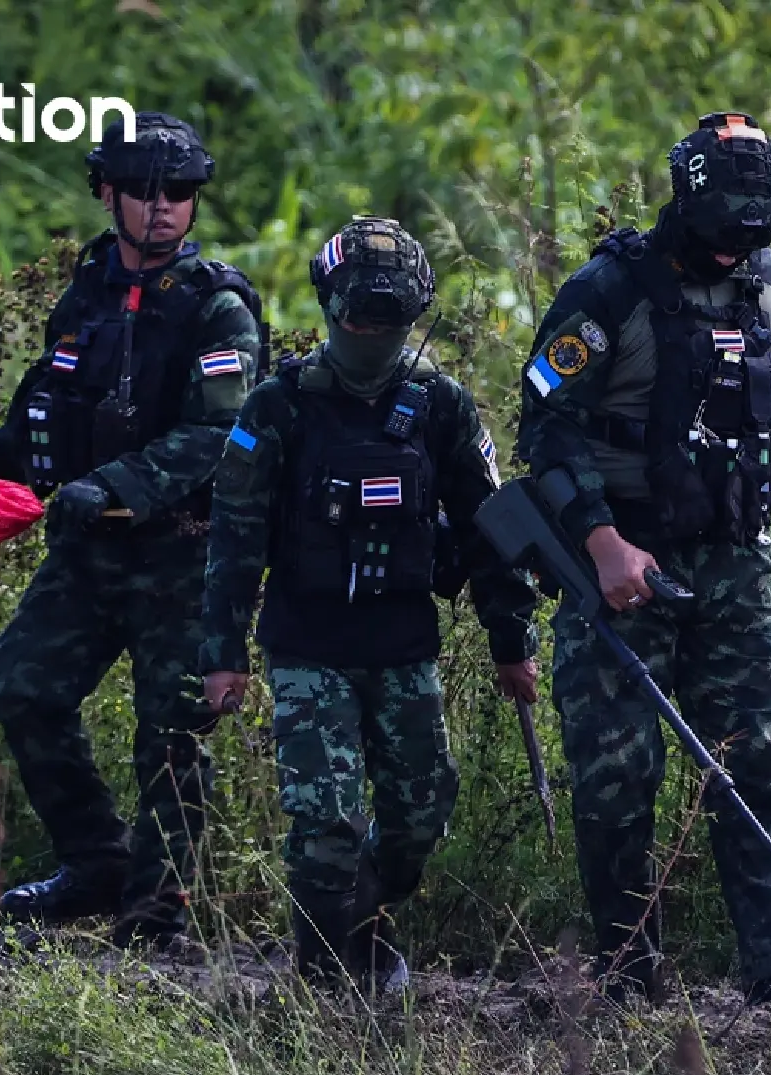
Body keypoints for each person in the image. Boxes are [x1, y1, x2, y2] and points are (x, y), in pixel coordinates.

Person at [515, 111, 771, 1015]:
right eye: (726, 235)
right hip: (622, 564)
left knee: (759, 762)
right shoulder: (607, 293)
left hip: (737, 561)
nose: (739, 252)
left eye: (757, 235)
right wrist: (598, 539)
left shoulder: (767, 286)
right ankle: (626, 972)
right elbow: (544, 425)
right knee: (618, 774)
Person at [0, 112, 266, 948]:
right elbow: (38, 427)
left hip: (181, 551)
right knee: (23, 682)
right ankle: (96, 863)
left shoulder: (218, 308)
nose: (164, 206)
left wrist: (115, 485)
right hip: (88, 549)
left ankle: (156, 910)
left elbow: (219, 435)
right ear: (106, 192)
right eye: (144, 189)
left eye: (181, 191)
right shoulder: (89, 291)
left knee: (170, 729)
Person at [199, 216, 539, 990]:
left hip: (402, 643)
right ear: (330, 309)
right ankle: (324, 985)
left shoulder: (440, 406)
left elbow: (493, 528)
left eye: (391, 321)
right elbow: (236, 535)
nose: (374, 334)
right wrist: (223, 654)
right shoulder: (278, 409)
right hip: (308, 646)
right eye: (361, 317)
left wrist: (509, 637)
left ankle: (366, 923)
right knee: (324, 822)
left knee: (421, 810)